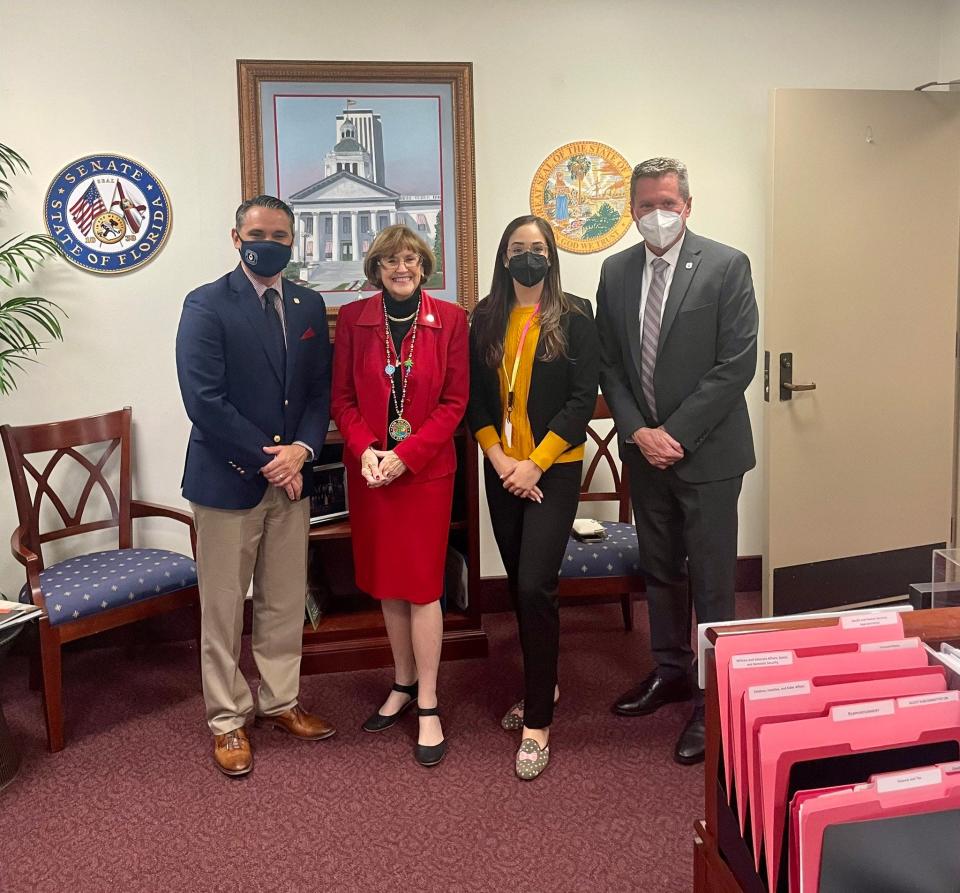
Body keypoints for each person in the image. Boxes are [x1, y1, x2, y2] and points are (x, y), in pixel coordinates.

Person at [595, 158, 758, 765]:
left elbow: (735, 364)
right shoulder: (615, 272)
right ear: (631, 211)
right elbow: (610, 363)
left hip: (709, 454)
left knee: (714, 581)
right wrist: (640, 432)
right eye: (644, 205)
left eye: (666, 202)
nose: (656, 214)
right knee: (661, 569)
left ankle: (712, 698)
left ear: (686, 205)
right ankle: (669, 670)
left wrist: (676, 434)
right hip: (647, 454)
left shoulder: (726, 265)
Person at [176, 195, 335, 777]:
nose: (269, 242)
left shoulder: (309, 303)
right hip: (227, 480)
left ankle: (280, 702)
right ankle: (226, 720)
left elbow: (319, 392)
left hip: (291, 480)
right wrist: (270, 458)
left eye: (281, 235)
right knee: (221, 608)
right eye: (257, 232)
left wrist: (304, 451)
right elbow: (203, 400)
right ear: (236, 236)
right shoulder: (206, 304)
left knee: (284, 599)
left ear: (293, 243)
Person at [331, 224, 468, 767]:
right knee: (387, 583)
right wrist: (367, 450)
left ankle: (430, 699)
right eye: (390, 260)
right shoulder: (353, 320)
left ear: (424, 264)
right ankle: (404, 682)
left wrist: (404, 457)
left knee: (423, 586)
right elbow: (341, 400)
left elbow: (454, 403)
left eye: (410, 258)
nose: (400, 267)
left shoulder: (451, 320)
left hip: (424, 475)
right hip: (371, 473)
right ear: (376, 268)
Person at [468, 215, 599, 780]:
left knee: (532, 584)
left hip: (554, 470)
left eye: (537, 248)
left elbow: (580, 400)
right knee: (524, 586)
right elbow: (474, 399)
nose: (528, 256)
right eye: (518, 248)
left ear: (551, 255)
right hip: (502, 470)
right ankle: (543, 681)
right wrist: (501, 461)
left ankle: (538, 722)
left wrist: (534, 463)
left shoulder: (575, 315)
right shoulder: (486, 317)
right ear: (504, 257)